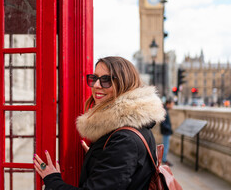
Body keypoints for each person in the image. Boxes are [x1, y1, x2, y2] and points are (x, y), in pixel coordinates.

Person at [33, 56, 166, 190]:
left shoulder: (125, 140)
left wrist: (53, 180)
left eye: (106, 80)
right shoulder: (136, 127)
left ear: (123, 83)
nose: (96, 85)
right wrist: (99, 156)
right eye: (94, 78)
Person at [160, 98, 174, 166]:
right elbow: (163, 123)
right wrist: (169, 129)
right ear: (168, 104)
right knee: (165, 146)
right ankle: (164, 160)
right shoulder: (164, 111)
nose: (172, 106)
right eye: (172, 104)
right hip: (166, 132)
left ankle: (164, 159)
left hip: (166, 131)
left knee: (165, 146)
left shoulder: (165, 110)